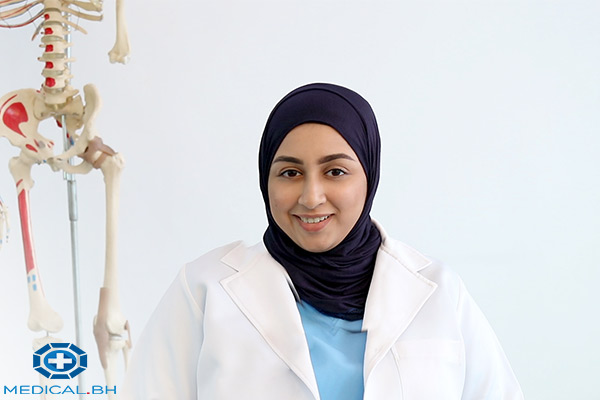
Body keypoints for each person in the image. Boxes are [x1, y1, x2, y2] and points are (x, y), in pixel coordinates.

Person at [121, 83, 524, 399]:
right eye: (290, 173)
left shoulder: (439, 291)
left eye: (335, 172)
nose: (311, 197)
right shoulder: (204, 290)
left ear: (369, 176)